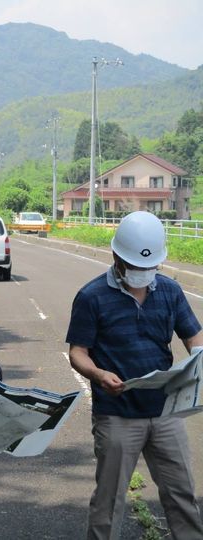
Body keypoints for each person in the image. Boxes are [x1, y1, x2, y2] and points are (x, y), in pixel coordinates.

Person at [66, 210, 203, 539]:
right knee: (109, 500)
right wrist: (98, 375)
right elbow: (77, 352)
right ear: (116, 256)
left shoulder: (169, 291)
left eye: (149, 266)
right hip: (117, 414)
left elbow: (193, 336)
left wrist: (197, 362)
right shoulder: (91, 296)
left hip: (165, 411)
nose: (143, 273)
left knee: (181, 492)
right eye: (136, 266)